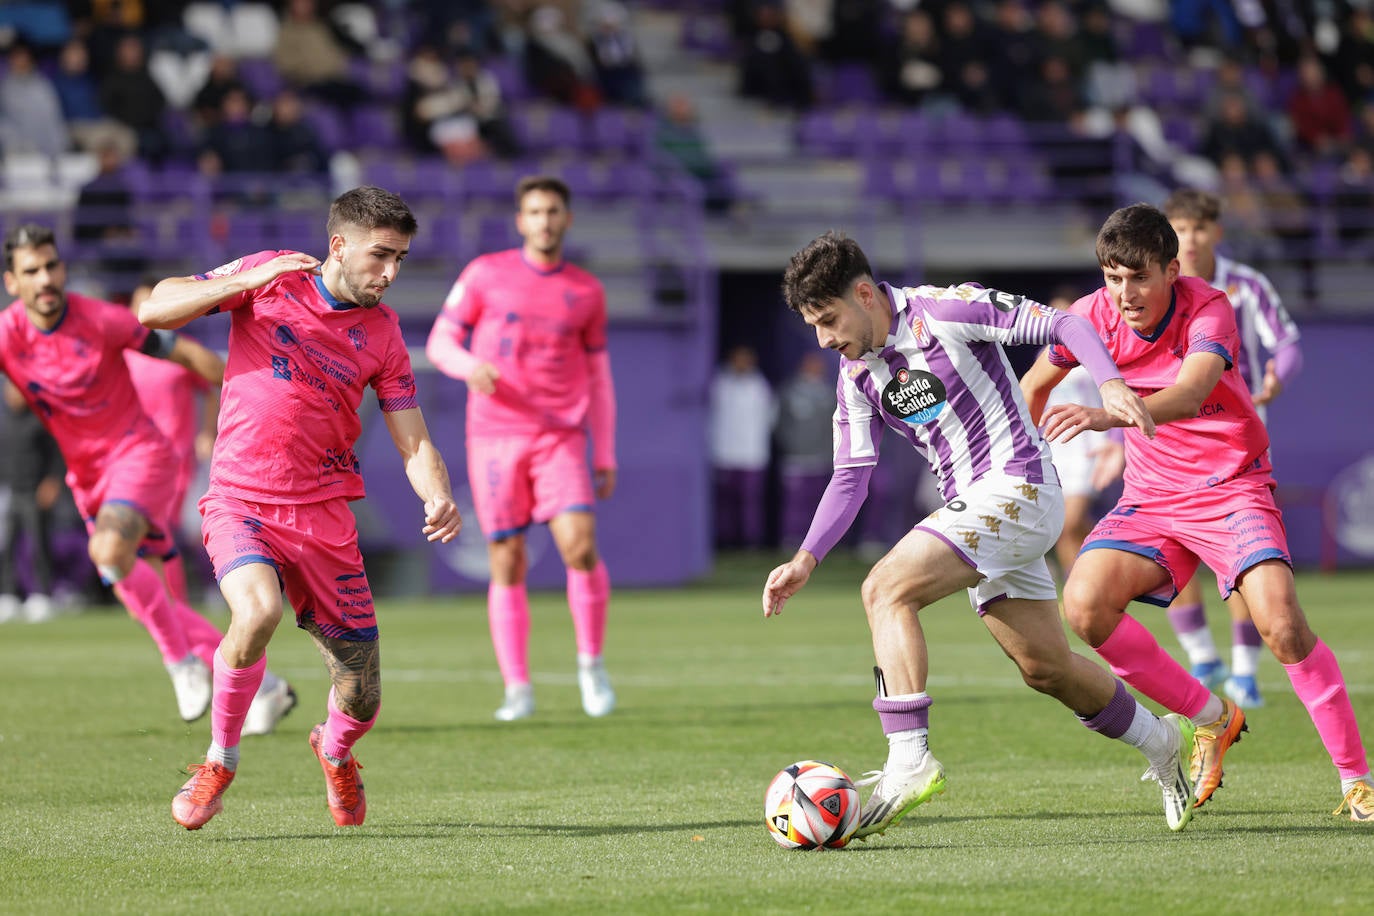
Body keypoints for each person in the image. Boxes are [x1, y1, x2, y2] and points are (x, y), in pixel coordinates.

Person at [763, 231, 1206, 839]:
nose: (824, 339)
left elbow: (1068, 327)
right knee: (1045, 668)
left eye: (829, 319)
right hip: (977, 512)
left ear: (865, 294)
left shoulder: (947, 309)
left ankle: (909, 760)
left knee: (885, 589)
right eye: (813, 326)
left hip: (1019, 486)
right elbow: (850, 477)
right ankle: (1162, 740)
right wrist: (805, 559)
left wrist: (1109, 384)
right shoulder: (856, 374)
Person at [1021, 203, 1373, 823]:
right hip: (1152, 497)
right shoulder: (1088, 316)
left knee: (1284, 627)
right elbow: (1032, 387)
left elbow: (1190, 392)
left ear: (1171, 270)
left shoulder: (1210, 306)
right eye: (1112, 278)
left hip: (1231, 484)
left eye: (1139, 278)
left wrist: (1108, 412)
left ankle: (1357, 780)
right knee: (1083, 605)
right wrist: (1012, 460)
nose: (1125, 294)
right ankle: (1212, 717)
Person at [139, 186, 462, 830]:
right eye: (380, 256)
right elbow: (156, 308)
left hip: (324, 517)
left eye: (400, 259)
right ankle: (219, 761)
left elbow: (412, 433)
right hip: (240, 498)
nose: (391, 273)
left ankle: (335, 750)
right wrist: (248, 277)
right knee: (257, 610)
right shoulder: (272, 278)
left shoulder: (384, 333)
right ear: (337, 245)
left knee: (362, 692)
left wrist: (438, 493)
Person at [0, 223, 294, 729]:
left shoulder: (104, 319)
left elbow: (184, 355)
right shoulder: (9, 335)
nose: (45, 278)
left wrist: (257, 401)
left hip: (140, 455)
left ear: (63, 269)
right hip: (88, 477)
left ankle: (181, 664)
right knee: (141, 594)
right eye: (32, 271)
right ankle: (263, 685)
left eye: (52, 266)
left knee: (110, 555)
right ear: (13, 282)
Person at [426, 175, 617, 723]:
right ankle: (518, 687)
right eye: (535, 211)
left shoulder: (586, 292)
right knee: (505, 561)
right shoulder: (485, 274)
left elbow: (600, 380)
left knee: (578, 545)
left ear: (567, 218)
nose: (545, 221)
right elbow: (441, 342)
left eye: (554, 210)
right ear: (520, 220)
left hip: (559, 436)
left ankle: (591, 664)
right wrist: (471, 367)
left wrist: (604, 451)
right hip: (494, 437)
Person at [1160, 188, 1304, 709]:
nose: (1190, 238)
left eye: (1199, 227)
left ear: (1216, 232)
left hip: (1236, 444)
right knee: (1172, 551)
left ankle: (1244, 672)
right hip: (1171, 441)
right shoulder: (1157, 286)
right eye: (1179, 227)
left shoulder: (1245, 286)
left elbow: (1286, 343)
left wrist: (1276, 376)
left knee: (1245, 556)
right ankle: (1202, 658)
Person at [124, 278, 219, 608]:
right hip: (136, 455)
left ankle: (173, 602)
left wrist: (207, 432)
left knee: (162, 524)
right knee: (158, 527)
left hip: (176, 454)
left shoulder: (179, 349)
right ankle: (168, 598)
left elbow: (209, 390)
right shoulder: (124, 354)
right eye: (139, 304)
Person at [0, 379, 64, 622]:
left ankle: (43, 594)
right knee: (7, 547)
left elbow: (57, 455)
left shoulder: (39, 419)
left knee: (39, 543)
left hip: (35, 491)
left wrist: (52, 482)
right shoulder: (4, 422)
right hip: (10, 491)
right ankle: (8, 594)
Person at [709, 344, 774, 550]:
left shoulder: (759, 386)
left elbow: (770, 418)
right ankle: (724, 542)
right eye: (738, 358)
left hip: (752, 455)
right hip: (724, 454)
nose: (742, 363)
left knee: (750, 503)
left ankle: (750, 544)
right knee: (724, 504)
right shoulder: (720, 384)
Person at [775, 351, 836, 546]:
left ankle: (815, 543)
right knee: (795, 504)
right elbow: (779, 425)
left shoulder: (830, 392)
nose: (816, 369)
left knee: (819, 505)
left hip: (822, 459)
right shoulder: (790, 391)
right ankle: (791, 539)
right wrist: (792, 446)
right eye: (812, 364)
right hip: (796, 459)